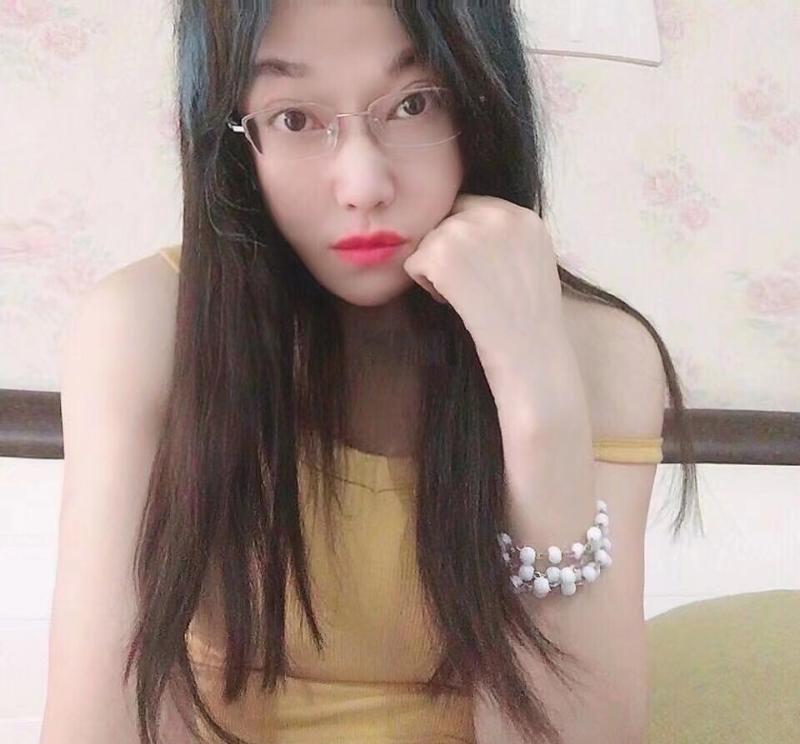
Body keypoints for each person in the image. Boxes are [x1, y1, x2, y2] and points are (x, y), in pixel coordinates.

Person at [42, 2, 702, 743]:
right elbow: (96, 724)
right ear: (232, 141)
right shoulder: (142, 330)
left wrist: (536, 395)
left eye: (414, 104)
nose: (362, 184)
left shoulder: (602, 356)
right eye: (295, 118)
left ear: (483, 101)